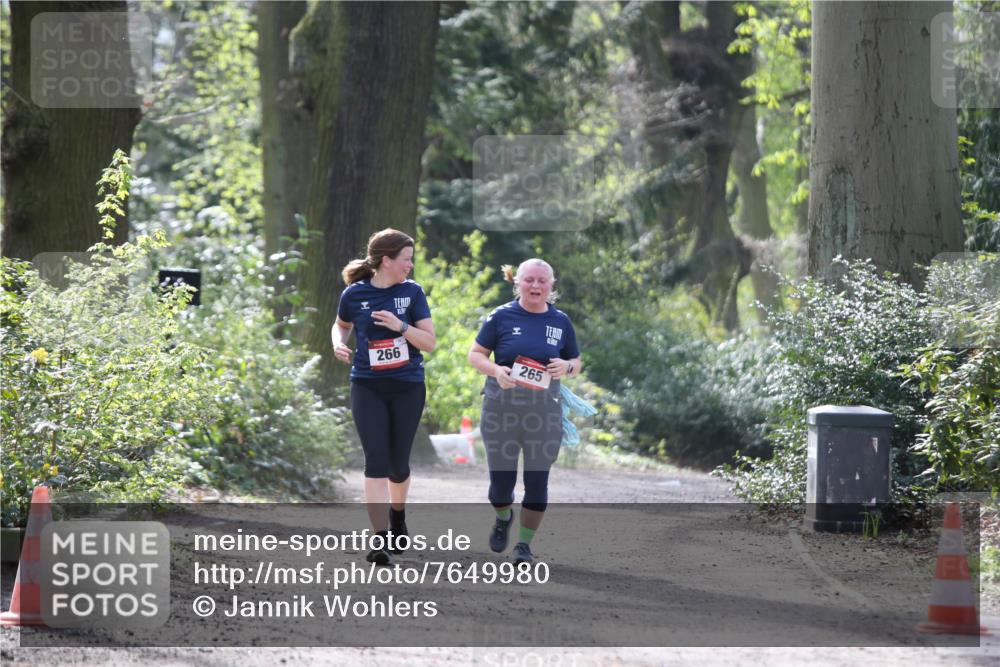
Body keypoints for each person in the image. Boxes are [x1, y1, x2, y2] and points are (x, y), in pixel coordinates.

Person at [467, 259, 581, 565]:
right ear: (517, 282)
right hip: (501, 411)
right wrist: (496, 370)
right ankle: (503, 517)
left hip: (543, 415)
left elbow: (576, 361)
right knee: (499, 489)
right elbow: (475, 355)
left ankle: (523, 547)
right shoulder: (501, 317)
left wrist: (566, 366)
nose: (535, 286)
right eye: (529, 280)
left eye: (542, 281)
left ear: (551, 286)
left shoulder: (560, 322)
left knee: (537, 481)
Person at [332, 228, 436, 565]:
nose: (410, 265)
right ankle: (378, 539)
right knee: (375, 461)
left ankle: (398, 515)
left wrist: (400, 327)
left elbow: (429, 343)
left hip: (407, 385)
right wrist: (338, 342)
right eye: (406, 259)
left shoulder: (413, 293)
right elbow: (341, 324)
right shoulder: (354, 294)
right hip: (367, 384)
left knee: (397, 465)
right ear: (386, 260)